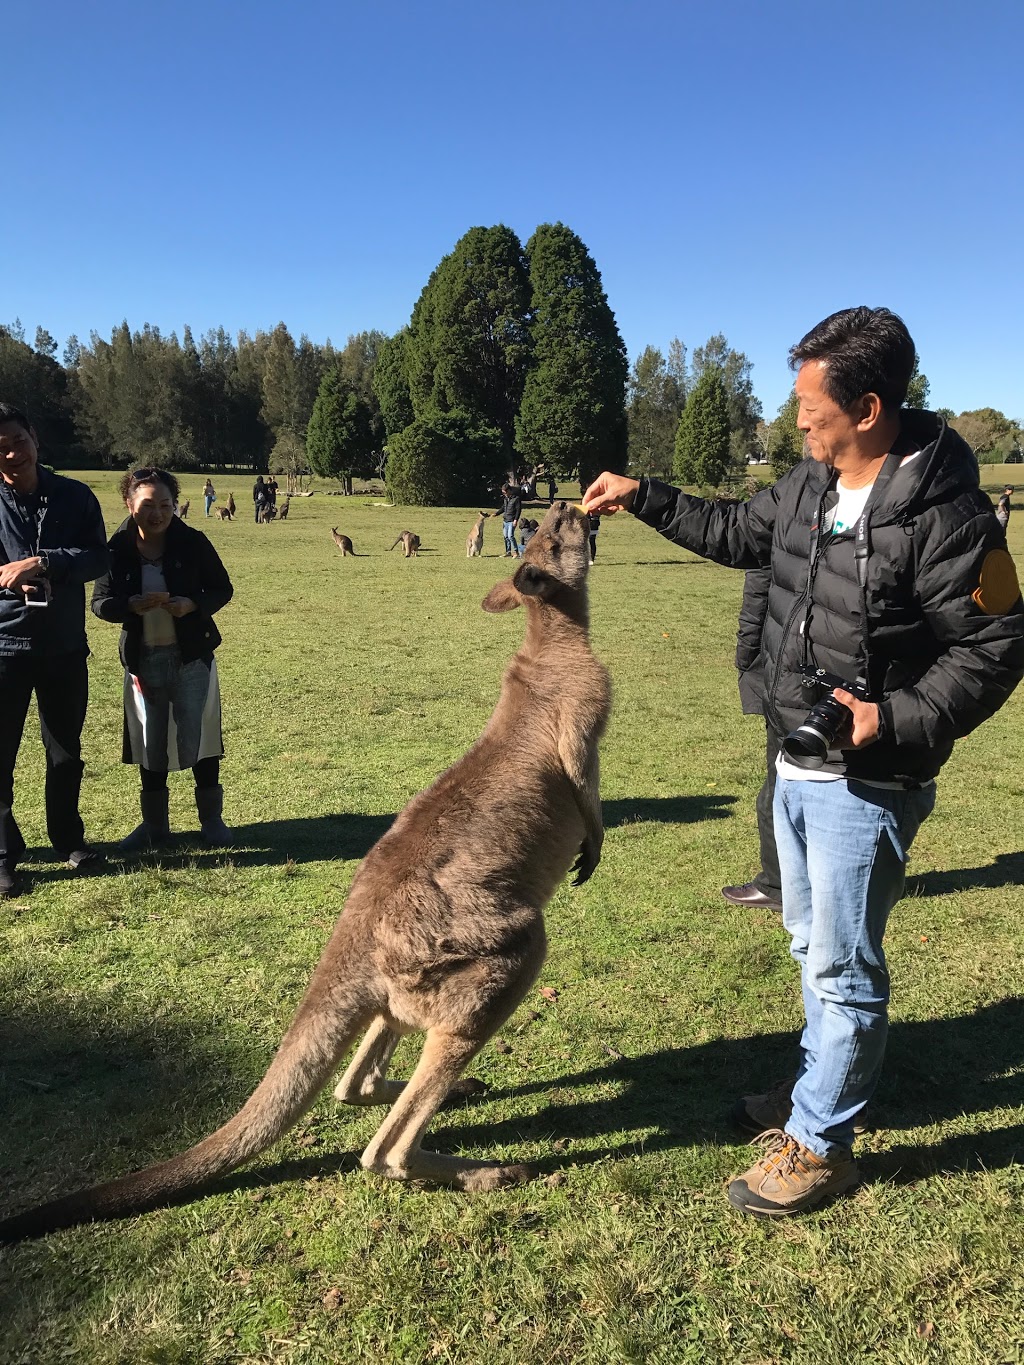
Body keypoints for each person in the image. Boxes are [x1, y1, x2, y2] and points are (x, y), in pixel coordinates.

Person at [584, 307, 1024, 1218]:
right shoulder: (809, 485)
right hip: (794, 761)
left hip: (869, 782)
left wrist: (893, 717)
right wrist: (644, 494)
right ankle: (813, 1094)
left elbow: (996, 645)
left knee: (842, 967)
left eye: (808, 407)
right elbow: (737, 532)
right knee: (807, 944)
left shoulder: (952, 515)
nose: (796, 423)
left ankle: (820, 1143)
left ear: (867, 407)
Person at [91, 467, 234, 850]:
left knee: (201, 736)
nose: (157, 513)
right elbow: (99, 603)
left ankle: (212, 821)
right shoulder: (115, 549)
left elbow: (222, 588)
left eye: (165, 505)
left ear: (175, 505)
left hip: (192, 656)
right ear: (129, 504)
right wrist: (127, 607)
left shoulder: (193, 542)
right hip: (143, 658)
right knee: (148, 739)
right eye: (148, 504)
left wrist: (193, 605)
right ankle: (154, 826)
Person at [0, 403, 109, 897]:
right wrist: (10, 578)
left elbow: (98, 557)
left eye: (17, 440)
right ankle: (4, 857)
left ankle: (68, 840)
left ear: (35, 438)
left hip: (64, 646)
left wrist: (44, 562)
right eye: (0, 446)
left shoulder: (73, 495)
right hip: (4, 645)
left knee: (65, 752)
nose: (11, 452)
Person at [722, 566, 784, 911]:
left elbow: (759, 592)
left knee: (779, 789)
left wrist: (747, 656)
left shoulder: (786, 523)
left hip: (786, 664)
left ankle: (776, 885)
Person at [499, 483, 522, 558]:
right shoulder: (506, 499)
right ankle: (508, 552)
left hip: (512, 520)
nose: (504, 494)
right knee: (506, 536)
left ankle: (516, 552)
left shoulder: (516, 499)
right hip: (505, 520)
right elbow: (503, 508)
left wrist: (516, 520)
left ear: (508, 491)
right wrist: (496, 514)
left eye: (504, 492)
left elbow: (518, 510)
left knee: (510, 536)